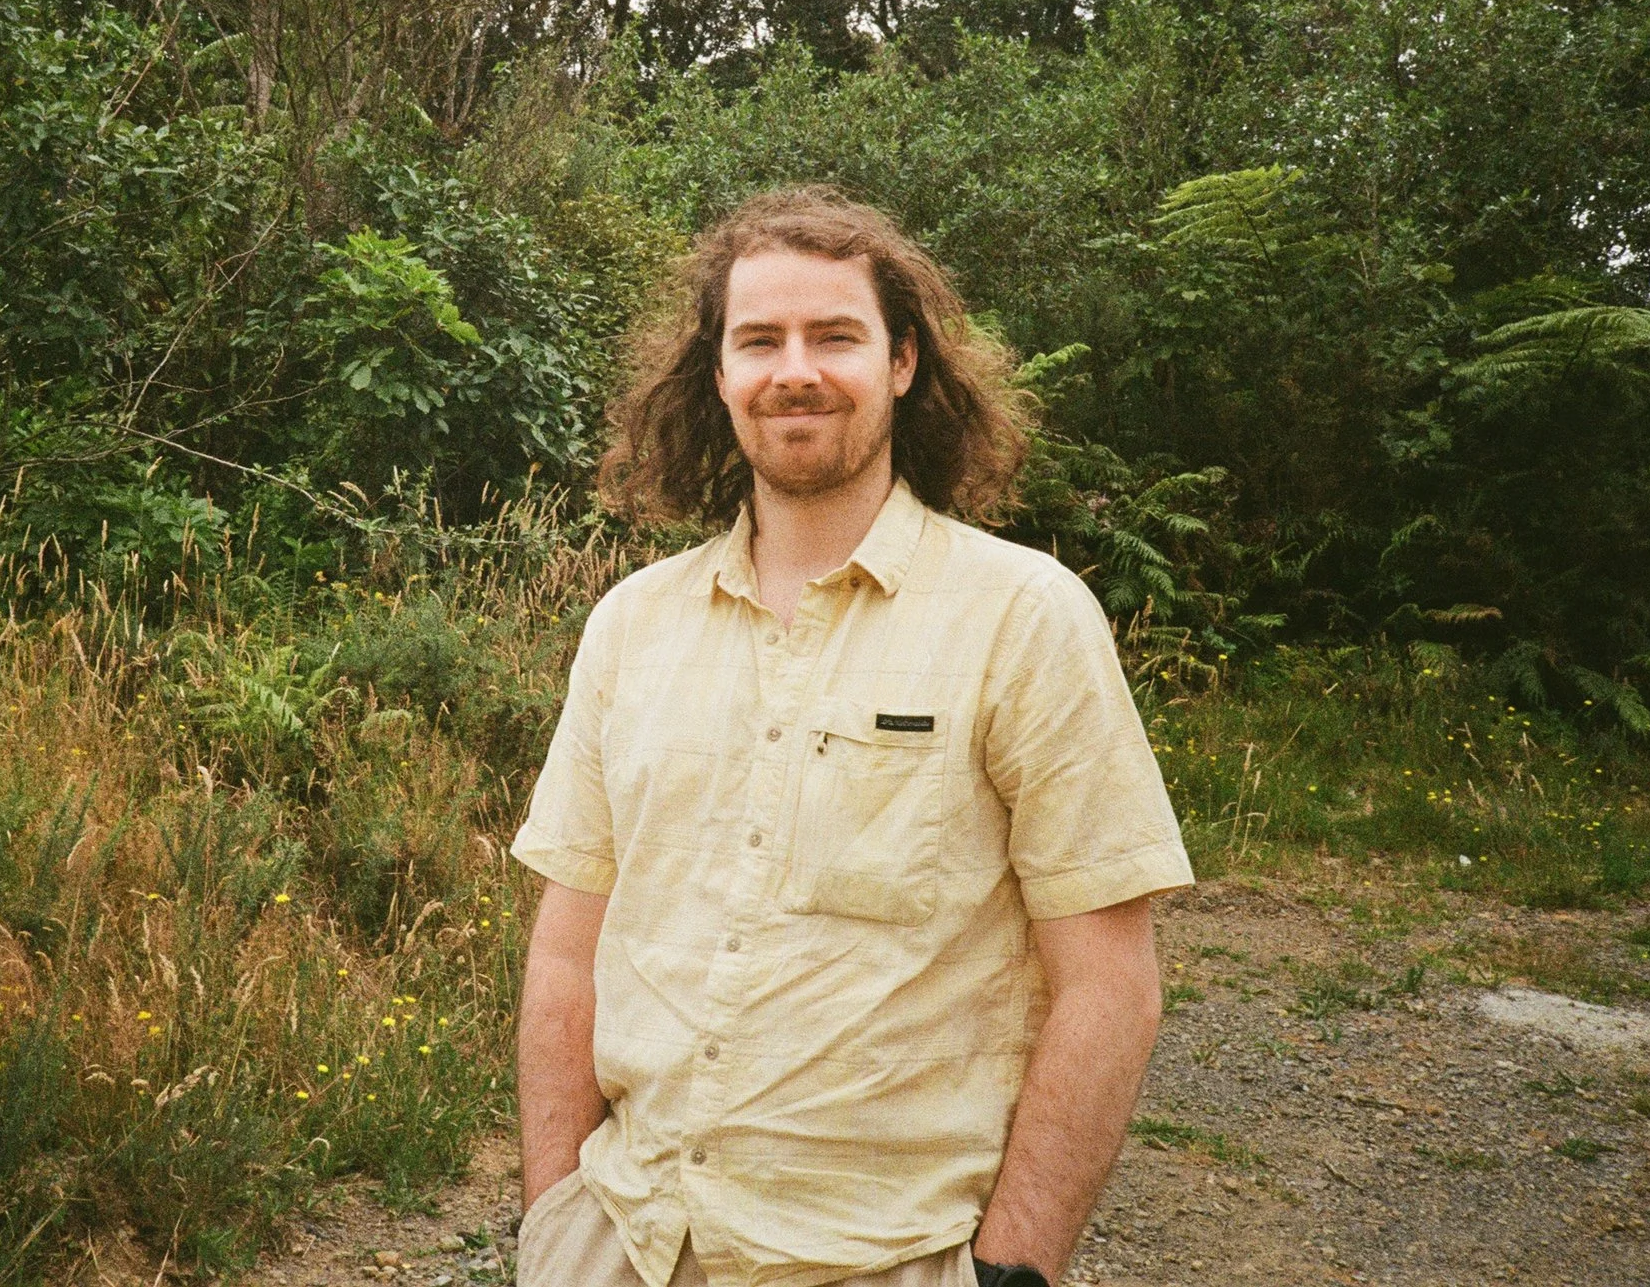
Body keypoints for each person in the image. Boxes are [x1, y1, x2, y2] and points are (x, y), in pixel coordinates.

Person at [510, 189, 1193, 1287]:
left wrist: (1014, 1271)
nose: (796, 370)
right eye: (759, 340)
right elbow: (565, 951)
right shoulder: (631, 624)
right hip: (623, 1246)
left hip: (885, 1260)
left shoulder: (1023, 617)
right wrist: (552, 1219)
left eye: (835, 336)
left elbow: (1110, 986)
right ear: (719, 373)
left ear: (904, 362)